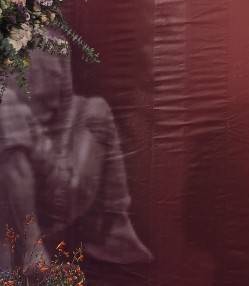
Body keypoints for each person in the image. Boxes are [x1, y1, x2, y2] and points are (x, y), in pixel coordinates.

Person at [0, 47, 152, 272]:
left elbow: (62, 107)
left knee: (93, 109)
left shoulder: (47, 42)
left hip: (52, 186)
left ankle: (37, 249)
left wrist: (50, 151)